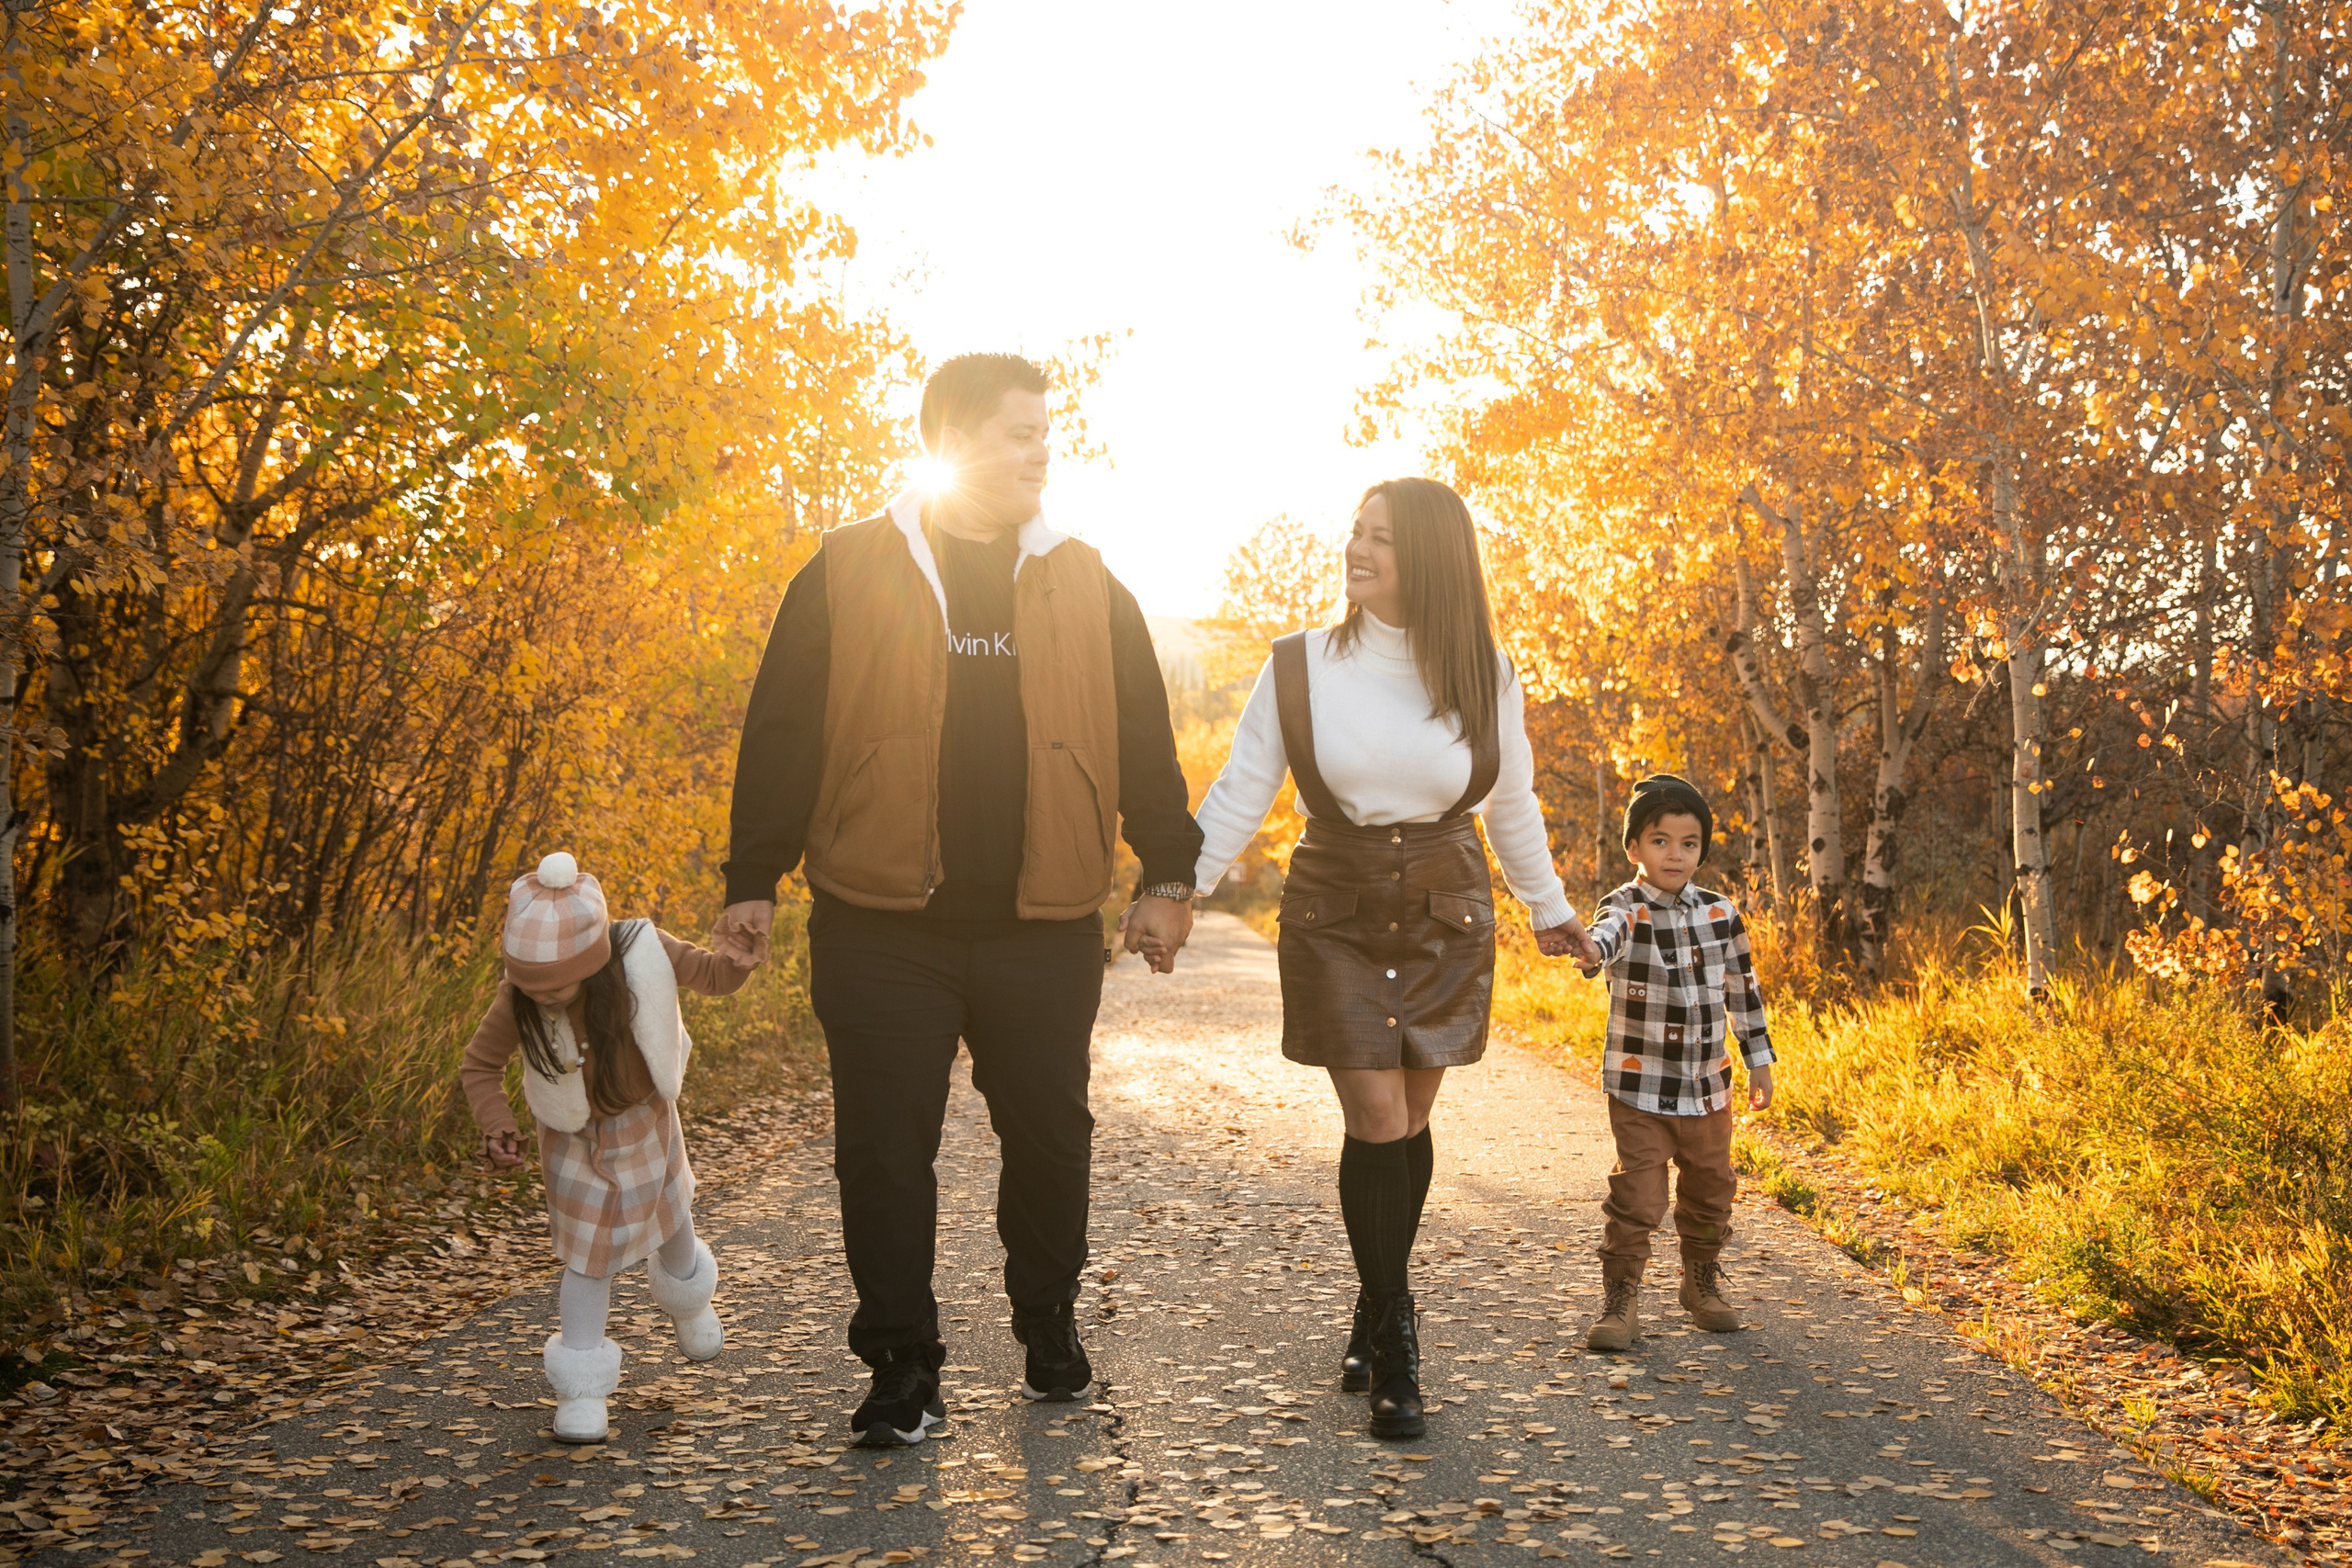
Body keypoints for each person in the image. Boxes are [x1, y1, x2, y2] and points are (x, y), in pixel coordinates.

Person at [711, 353, 1204, 1447]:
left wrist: (1167, 877)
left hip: (1042, 925)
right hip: (882, 924)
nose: (1043, 451)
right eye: (1022, 432)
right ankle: (901, 1363)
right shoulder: (848, 568)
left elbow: (1141, 739)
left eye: (1045, 431)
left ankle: (1047, 1323)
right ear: (955, 439)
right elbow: (783, 730)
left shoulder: (1086, 577)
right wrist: (754, 878)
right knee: (883, 1150)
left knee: (1049, 1140)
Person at [1178, 477, 1594, 1441]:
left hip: (1446, 907)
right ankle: (1399, 1335)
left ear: (1433, 562)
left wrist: (1548, 910)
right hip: (1338, 905)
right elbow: (1241, 788)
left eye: (1384, 541)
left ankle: (1373, 1300)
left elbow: (1512, 805)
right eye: (1356, 534)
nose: (1358, 552)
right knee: (1373, 1115)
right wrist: (1180, 893)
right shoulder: (1299, 667)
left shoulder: (1482, 670)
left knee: (1405, 1115)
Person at [463, 852, 759, 1443]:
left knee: (672, 1221)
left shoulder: (640, 951)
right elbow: (480, 1067)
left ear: (594, 962)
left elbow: (713, 977)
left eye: (560, 987)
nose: (545, 998)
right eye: (532, 988)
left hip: (646, 1120)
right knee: (586, 1256)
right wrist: (496, 1123)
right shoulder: (520, 994)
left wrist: (738, 958)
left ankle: (689, 1299)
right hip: (570, 1139)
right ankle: (582, 1392)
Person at [1577, 773, 1775, 1351]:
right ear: (1634, 848)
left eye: (1689, 843)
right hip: (1641, 1087)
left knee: (1713, 1188)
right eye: (1660, 840)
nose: (1675, 854)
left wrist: (1758, 1058)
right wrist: (1588, 950)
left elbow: (1743, 989)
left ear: (1701, 851)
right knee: (1638, 1197)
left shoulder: (1720, 914)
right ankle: (1621, 1300)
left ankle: (1701, 1281)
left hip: (1708, 1086)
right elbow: (1604, 939)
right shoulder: (1624, 908)